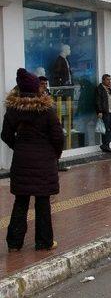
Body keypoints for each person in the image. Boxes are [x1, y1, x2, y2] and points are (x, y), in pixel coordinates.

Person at [2, 69, 64, 251]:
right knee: (42, 202)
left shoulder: (13, 110)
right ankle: (44, 242)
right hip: (44, 163)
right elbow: (58, 137)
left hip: (21, 162)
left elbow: (5, 135)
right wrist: (55, 154)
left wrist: (19, 147)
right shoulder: (46, 110)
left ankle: (14, 243)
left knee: (20, 202)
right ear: (36, 88)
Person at [95, 74, 111, 153]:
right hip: (105, 112)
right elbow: (98, 101)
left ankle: (105, 145)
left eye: (110, 79)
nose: (109, 81)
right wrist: (99, 111)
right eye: (107, 79)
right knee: (106, 130)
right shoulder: (99, 88)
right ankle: (106, 147)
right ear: (103, 80)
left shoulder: (109, 88)